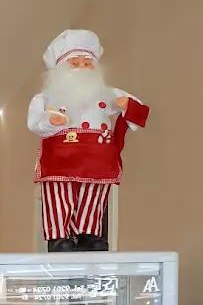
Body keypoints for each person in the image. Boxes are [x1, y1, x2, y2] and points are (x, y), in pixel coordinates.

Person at [27, 29, 150, 251]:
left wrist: (127, 105)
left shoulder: (107, 93)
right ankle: (59, 238)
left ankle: (90, 236)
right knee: (59, 196)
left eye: (87, 63)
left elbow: (140, 112)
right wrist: (50, 120)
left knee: (93, 197)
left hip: (98, 158)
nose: (82, 67)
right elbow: (35, 122)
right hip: (60, 158)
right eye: (75, 63)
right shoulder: (46, 97)